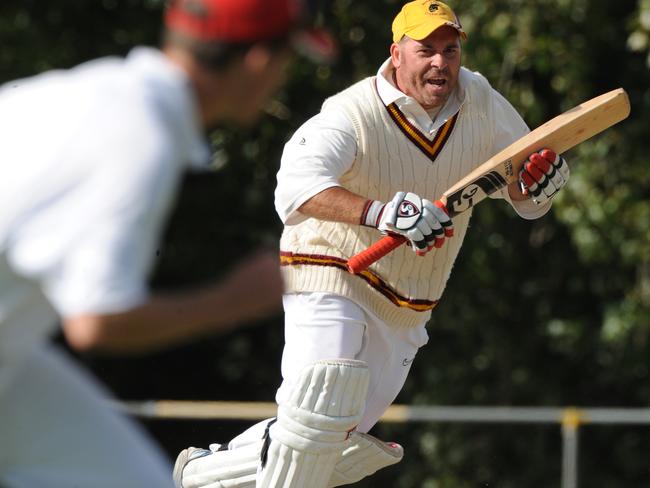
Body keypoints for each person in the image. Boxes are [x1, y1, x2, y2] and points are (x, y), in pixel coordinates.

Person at [173, 1, 571, 487]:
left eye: (450, 50)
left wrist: (538, 189)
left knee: (335, 445)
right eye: (425, 50)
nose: (440, 63)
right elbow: (295, 187)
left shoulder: (481, 102)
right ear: (397, 54)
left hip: (408, 300)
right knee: (323, 401)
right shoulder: (352, 111)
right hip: (331, 267)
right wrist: (381, 213)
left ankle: (206, 474)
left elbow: (520, 184)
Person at [0, 0, 336, 487]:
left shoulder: (98, 90)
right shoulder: (142, 137)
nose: (282, 78)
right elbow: (95, 322)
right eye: (287, 61)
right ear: (258, 61)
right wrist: (238, 298)